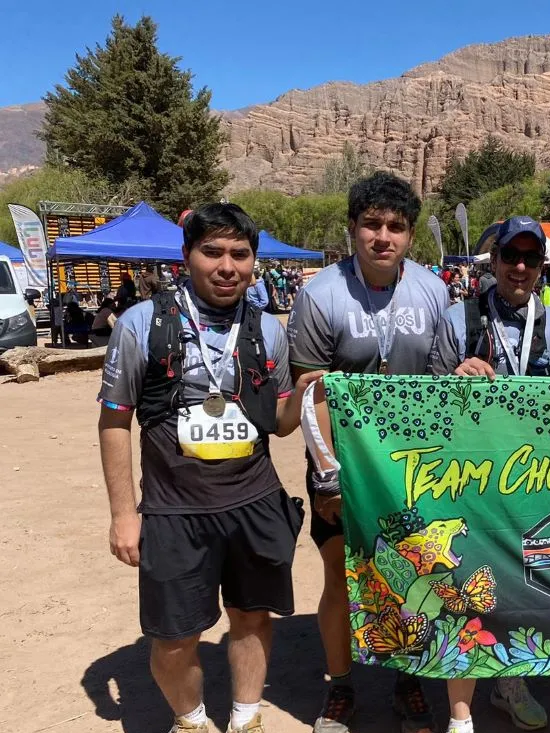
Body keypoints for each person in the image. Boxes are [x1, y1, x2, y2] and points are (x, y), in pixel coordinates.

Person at [97, 203, 321, 733]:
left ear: (253, 263)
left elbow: (280, 421)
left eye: (240, 255)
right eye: (212, 252)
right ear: (186, 257)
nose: (227, 266)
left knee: (251, 617)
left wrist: (307, 397)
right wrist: (124, 514)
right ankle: (192, 719)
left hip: (254, 501)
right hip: (175, 510)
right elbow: (113, 423)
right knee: (174, 638)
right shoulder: (141, 324)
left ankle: (246, 717)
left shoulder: (268, 329)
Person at [287, 172, 449, 733]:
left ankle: (408, 679)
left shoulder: (434, 291)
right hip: (339, 464)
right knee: (339, 574)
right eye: (372, 224)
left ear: (409, 236)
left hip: (411, 467)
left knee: (408, 572)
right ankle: (340, 687)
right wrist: (328, 475)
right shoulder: (319, 293)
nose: (383, 236)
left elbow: (439, 387)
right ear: (353, 228)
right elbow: (311, 391)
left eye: (396, 227)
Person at [428, 216, 550, 733]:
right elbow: (426, 401)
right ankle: (460, 712)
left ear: (541, 267)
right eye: (510, 255)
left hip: (533, 483)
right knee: (466, 586)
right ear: (492, 259)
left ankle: (509, 683)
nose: (519, 267)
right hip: (469, 482)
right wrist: (453, 377)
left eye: (531, 259)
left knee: (521, 585)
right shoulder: (458, 317)